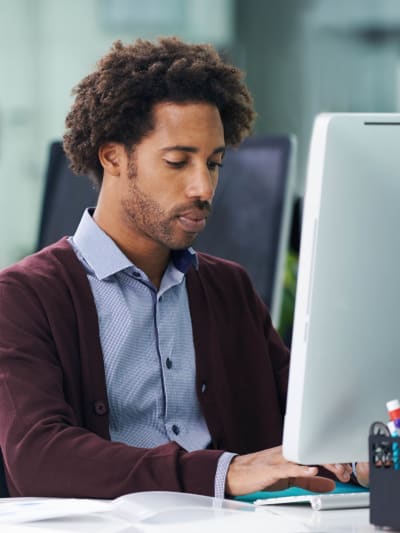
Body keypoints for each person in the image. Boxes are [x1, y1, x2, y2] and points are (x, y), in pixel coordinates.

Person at [0, 37, 359, 499]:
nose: (203, 187)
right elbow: (39, 459)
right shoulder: (22, 297)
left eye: (214, 164)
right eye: (177, 161)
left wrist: (353, 451)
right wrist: (222, 472)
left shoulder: (229, 288)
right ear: (112, 157)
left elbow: (311, 420)